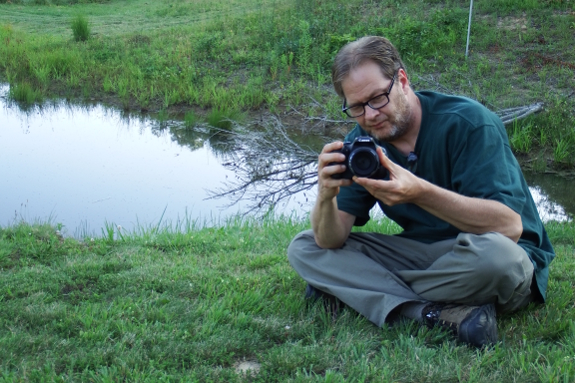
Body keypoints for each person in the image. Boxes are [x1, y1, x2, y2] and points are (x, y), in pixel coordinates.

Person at [287, 36, 555, 348]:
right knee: (304, 247)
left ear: (402, 80)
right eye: (357, 107)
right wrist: (326, 195)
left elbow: (509, 226)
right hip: (426, 257)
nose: (370, 115)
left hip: (492, 253)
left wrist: (419, 192)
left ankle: (352, 288)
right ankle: (426, 313)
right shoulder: (362, 144)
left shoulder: (469, 123)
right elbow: (328, 240)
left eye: (377, 98)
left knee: (499, 261)